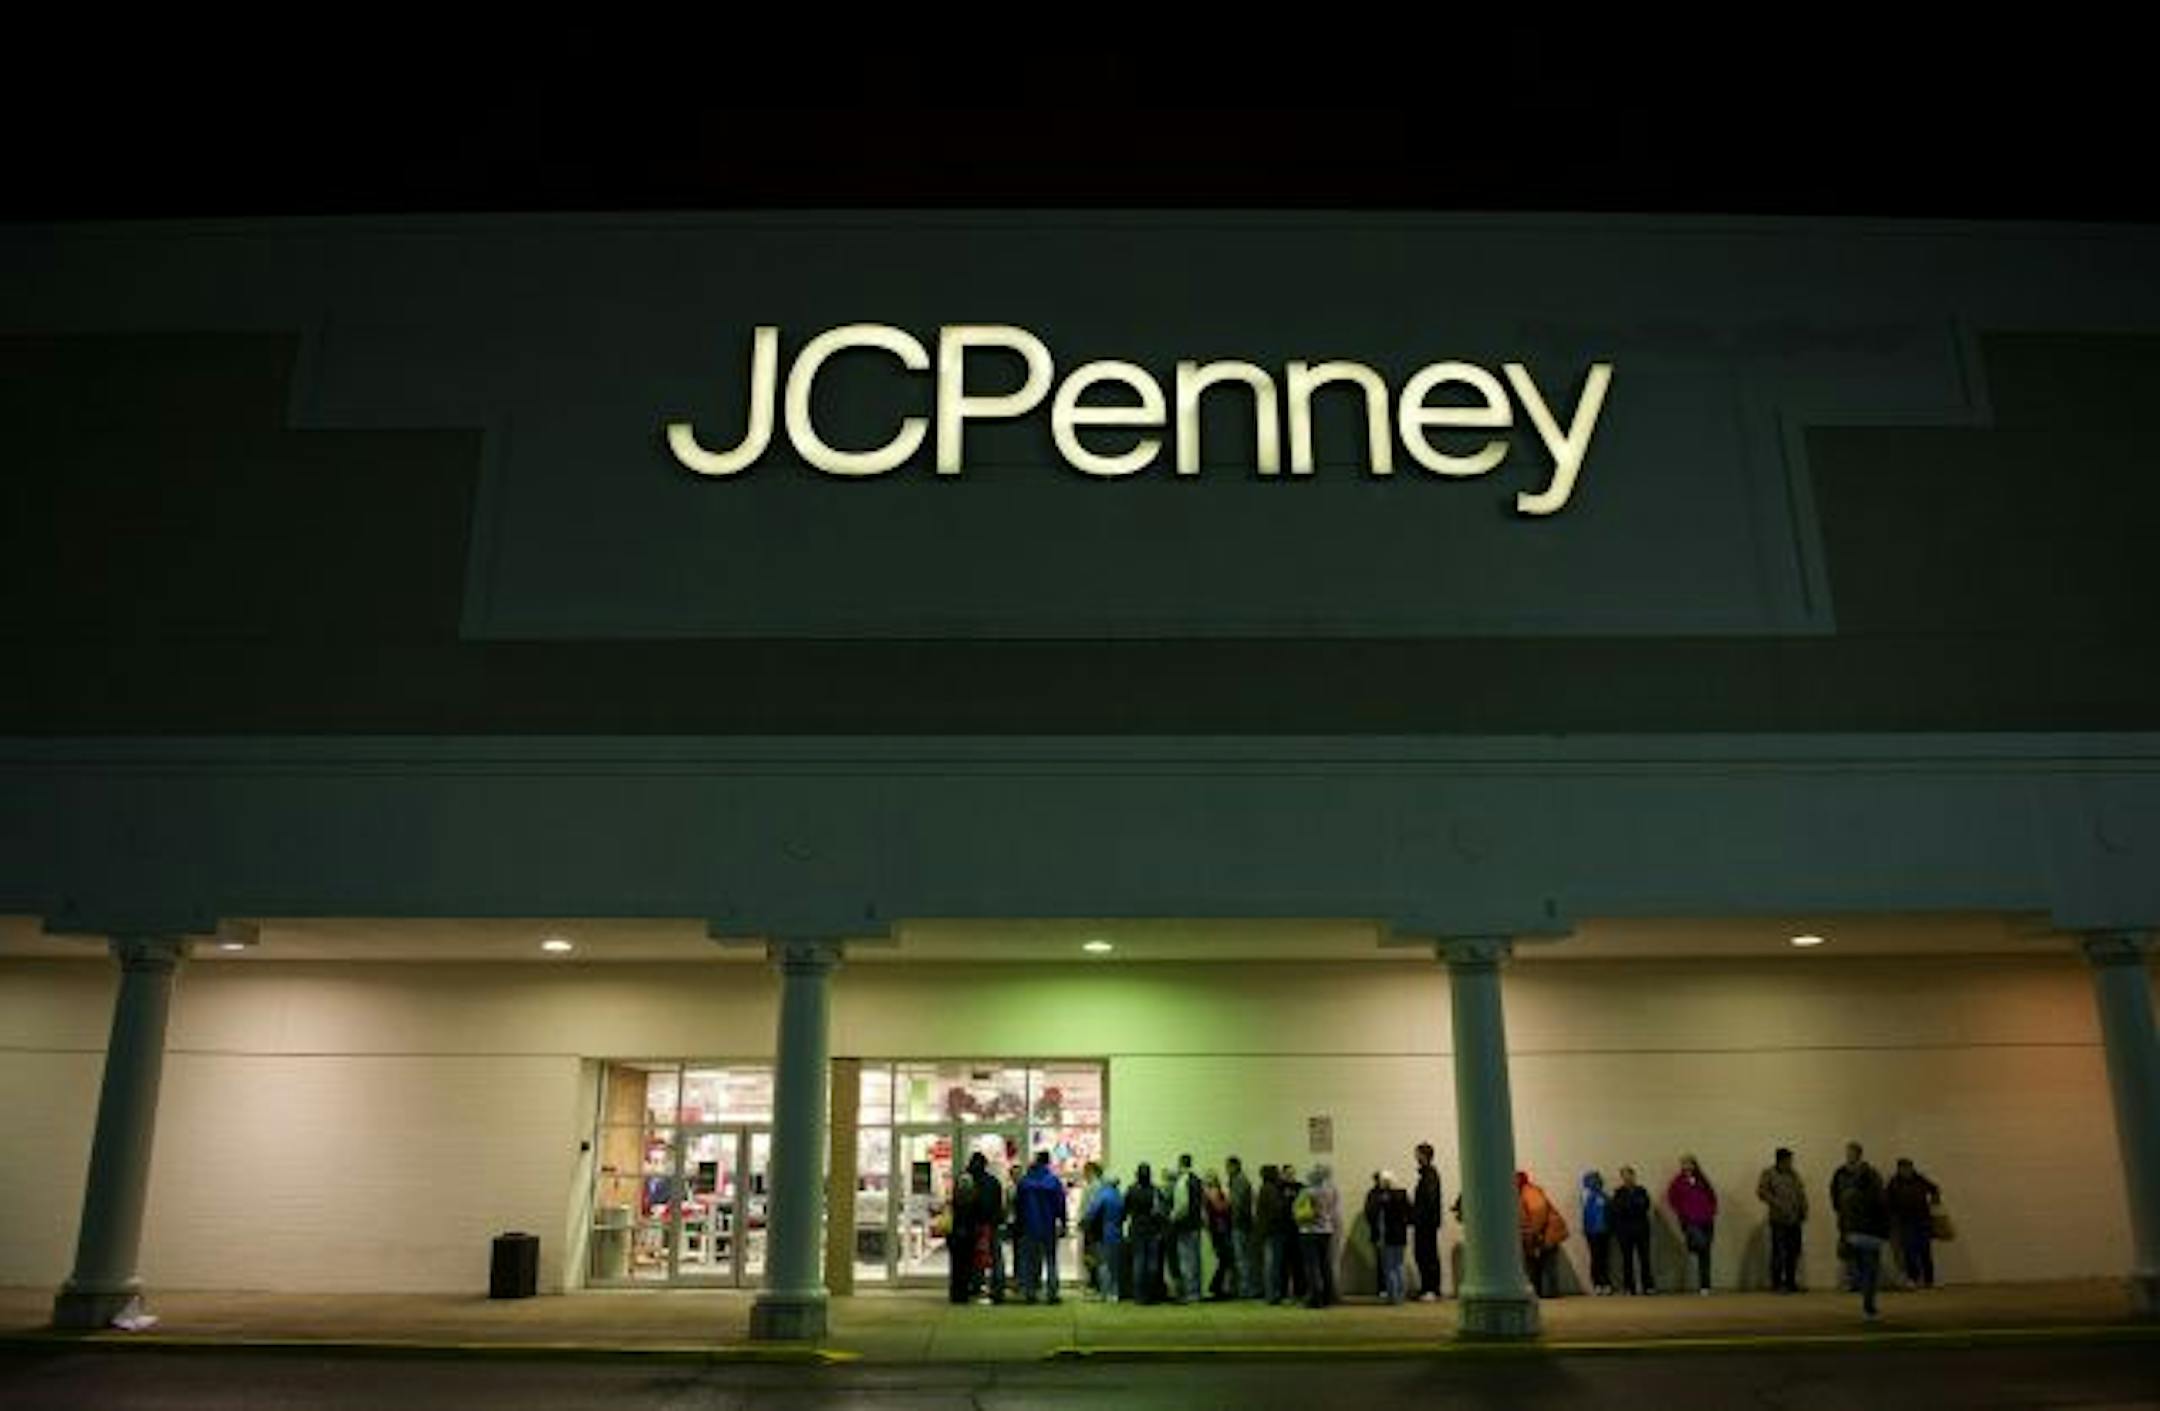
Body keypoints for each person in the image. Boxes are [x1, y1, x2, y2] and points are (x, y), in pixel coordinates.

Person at [1833, 1144, 1892, 1319]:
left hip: (1855, 1234)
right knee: (1869, 1273)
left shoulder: (1848, 1192)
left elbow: (1840, 1207)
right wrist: (1885, 1232)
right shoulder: (1874, 1186)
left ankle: (1867, 1302)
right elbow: (1884, 1208)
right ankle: (1869, 1307)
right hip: (1870, 1236)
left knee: (1860, 1270)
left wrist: (1844, 1232)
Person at [1014, 1150, 1068, 1304]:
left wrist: (1019, 1225)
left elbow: (1019, 1206)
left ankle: (1030, 1293)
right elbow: (1060, 1204)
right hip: (1048, 1226)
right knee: (1051, 1260)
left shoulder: (1024, 1182)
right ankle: (1052, 1293)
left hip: (1029, 1227)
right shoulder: (1053, 1181)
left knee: (1030, 1261)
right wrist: (1063, 1222)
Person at [1756, 1147, 1809, 1293]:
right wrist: (1777, 1203)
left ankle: (1791, 1282)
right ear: (1780, 1160)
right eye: (1788, 1160)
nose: (1790, 1163)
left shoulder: (1794, 1175)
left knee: (1794, 1252)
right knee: (1779, 1252)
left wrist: (1804, 1209)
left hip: (1795, 1219)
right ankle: (1777, 1283)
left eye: (1791, 1160)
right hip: (1778, 1219)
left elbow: (1801, 1192)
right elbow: (1761, 1192)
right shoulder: (1768, 1174)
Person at [1886, 1158, 1943, 1289]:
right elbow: (1887, 1200)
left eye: (1908, 1168)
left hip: (1923, 1220)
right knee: (1909, 1252)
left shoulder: (1920, 1179)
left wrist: (1935, 1202)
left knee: (1925, 1251)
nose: (1906, 1171)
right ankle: (1913, 1278)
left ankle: (1929, 1280)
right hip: (1905, 1222)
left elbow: (1934, 1189)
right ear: (1899, 1169)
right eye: (1903, 1168)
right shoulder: (1894, 1183)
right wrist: (1893, 1215)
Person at [1667, 1155, 1718, 1294]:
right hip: (1690, 1221)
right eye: (1684, 1164)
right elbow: (1672, 1198)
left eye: (1689, 1163)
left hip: (1706, 1219)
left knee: (1706, 1253)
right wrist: (1681, 1212)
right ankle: (1691, 1246)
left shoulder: (1702, 1179)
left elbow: (1712, 1195)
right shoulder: (1677, 1182)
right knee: (1699, 1244)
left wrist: (1712, 1210)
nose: (1687, 1166)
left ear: (1694, 1165)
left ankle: (1705, 1286)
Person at [1516, 1171, 1568, 1297]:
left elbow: (1538, 1211)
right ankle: (1542, 1292)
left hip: (1545, 1233)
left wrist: (1535, 1233)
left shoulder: (1529, 1192)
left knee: (1545, 1264)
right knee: (1535, 1264)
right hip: (1540, 1233)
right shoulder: (1523, 1193)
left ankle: (1549, 1293)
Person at [948, 1151, 990, 1304]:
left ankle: (956, 1293)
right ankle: (965, 1293)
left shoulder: (956, 1201)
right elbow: (980, 1213)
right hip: (969, 1236)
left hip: (956, 1237)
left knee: (957, 1267)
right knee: (966, 1266)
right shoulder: (974, 1200)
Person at [1299, 1163, 1340, 1308]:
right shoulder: (1332, 1190)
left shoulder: (1307, 1191)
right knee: (1325, 1265)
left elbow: (1297, 1209)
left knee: (1311, 1266)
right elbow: (1335, 1211)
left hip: (1309, 1231)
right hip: (1326, 1231)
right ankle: (1329, 1296)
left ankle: (1315, 1298)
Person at [1124, 1162, 1166, 1304]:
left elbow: (1125, 1210)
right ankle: (1150, 1294)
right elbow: (1161, 1212)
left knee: (1138, 1263)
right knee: (1152, 1264)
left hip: (1136, 1229)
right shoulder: (1155, 1191)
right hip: (1152, 1230)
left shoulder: (1131, 1190)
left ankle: (1138, 1296)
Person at [1829, 1141, 1868, 1292]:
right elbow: (1833, 1191)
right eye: (1847, 1153)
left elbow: (1874, 1193)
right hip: (1845, 1217)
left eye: (1851, 1153)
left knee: (1862, 1250)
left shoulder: (1867, 1172)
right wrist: (1838, 1207)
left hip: (1863, 1218)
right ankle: (1851, 1281)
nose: (1848, 1155)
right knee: (1847, 1250)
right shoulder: (1840, 1172)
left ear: (1859, 1154)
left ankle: (1862, 1281)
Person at [1609, 1165, 1654, 1294]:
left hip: (1641, 1229)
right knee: (1627, 1260)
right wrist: (1632, 1205)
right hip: (1625, 1231)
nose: (1627, 1178)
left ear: (1634, 1176)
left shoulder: (1642, 1190)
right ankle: (1629, 1287)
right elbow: (1617, 1210)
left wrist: (1629, 1206)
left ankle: (1648, 1286)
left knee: (1645, 1259)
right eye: (1624, 1175)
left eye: (1629, 1175)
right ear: (1622, 1178)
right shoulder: (1618, 1192)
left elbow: (1645, 1206)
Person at [1081, 1169, 1124, 1301]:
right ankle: (1114, 1292)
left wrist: (1084, 1223)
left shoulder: (1103, 1195)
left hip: (1103, 1233)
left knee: (1103, 1264)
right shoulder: (1119, 1195)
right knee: (1115, 1264)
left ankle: (1104, 1292)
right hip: (1117, 1232)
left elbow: (1092, 1213)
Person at [1170, 1153, 1206, 1303]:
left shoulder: (1182, 1181)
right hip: (1196, 1224)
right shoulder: (1197, 1180)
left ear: (1180, 1163)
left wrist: (1173, 1216)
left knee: (1186, 1260)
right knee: (1196, 1259)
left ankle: (1189, 1292)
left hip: (1185, 1226)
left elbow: (1183, 1205)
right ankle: (1196, 1291)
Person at [1412, 1142, 1445, 1301]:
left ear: (1424, 1156)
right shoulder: (1426, 1175)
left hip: (1426, 1223)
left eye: (1417, 1154)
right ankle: (1428, 1287)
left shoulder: (1430, 1175)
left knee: (1427, 1255)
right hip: (1425, 1222)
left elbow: (1429, 1201)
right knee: (1424, 1254)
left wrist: (1418, 1216)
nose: (1415, 1157)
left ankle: (1431, 1289)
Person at [1376, 1170, 1412, 1304]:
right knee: (1399, 1265)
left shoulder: (1384, 1198)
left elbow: (1382, 1219)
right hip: (1401, 1234)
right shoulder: (1403, 1194)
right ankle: (1401, 1294)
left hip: (1389, 1234)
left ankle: (1393, 1295)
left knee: (1389, 1266)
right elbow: (1410, 1213)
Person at [1277, 1163, 1310, 1303]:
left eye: (1292, 1173)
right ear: (1283, 1174)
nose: (1291, 1176)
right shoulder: (1278, 1188)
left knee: (1298, 1263)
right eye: (1288, 1173)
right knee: (1283, 1264)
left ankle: (1300, 1292)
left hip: (1298, 1230)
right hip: (1284, 1230)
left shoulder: (1300, 1187)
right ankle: (1284, 1293)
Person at [1226, 1155, 1258, 1299]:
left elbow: (1237, 1204)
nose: (1226, 1169)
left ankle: (1246, 1290)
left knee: (1242, 1259)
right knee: (1245, 1258)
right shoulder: (1241, 1180)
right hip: (1244, 1224)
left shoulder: (1239, 1181)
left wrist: (1232, 1220)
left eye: (1228, 1166)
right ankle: (1248, 1288)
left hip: (1240, 1225)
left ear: (1235, 1166)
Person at [1580, 1170, 1613, 1295]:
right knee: (1596, 1257)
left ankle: (1605, 1283)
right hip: (1592, 1231)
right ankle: (1597, 1283)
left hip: (1604, 1231)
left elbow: (1609, 1211)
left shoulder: (1604, 1195)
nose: (1598, 1183)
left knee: (1604, 1258)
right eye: (1594, 1181)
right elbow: (1588, 1213)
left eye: (1598, 1181)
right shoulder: (1586, 1195)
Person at [1077, 1161, 1104, 1296]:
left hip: (1091, 1226)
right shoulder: (1098, 1186)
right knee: (1092, 1255)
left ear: (1091, 1171)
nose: (1084, 1174)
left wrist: (1082, 1222)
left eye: (1085, 1172)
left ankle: (1094, 1283)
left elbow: (1089, 1208)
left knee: (1091, 1256)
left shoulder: (1093, 1187)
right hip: (1094, 1225)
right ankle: (1094, 1282)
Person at [1364, 1172, 1387, 1295]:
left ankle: (1394, 1287)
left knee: (1393, 1263)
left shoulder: (1394, 1193)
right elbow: (1368, 1212)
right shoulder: (1372, 1194)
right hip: (1378, 1232)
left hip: (1392, 1233)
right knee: (1380, 1262)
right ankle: (1382, 1288)